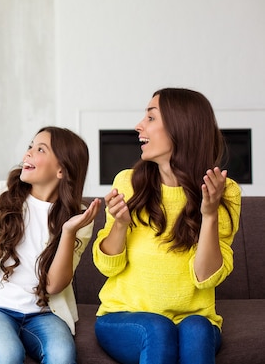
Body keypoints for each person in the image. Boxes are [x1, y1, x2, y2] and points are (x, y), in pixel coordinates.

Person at [93, 88, 242, 364]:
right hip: (123, 318)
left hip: (193, 319)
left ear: (180, 128)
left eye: (151, 118)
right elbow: (107, 266)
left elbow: (206, 278)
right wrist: (121, 226)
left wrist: (208, 215)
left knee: (197, 327)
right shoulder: (128, 182)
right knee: (158, 328)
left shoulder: (224, 191)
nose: (139, 126)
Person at [0, 126, 101, 364]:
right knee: (8, 354)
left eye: (40, 149)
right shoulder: (0, 193)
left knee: (62, 355)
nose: (28, 153)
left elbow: (54, 286)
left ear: (61, 170)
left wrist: (68, 231)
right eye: (30, 146)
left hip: (46, 313)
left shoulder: (79, 218)